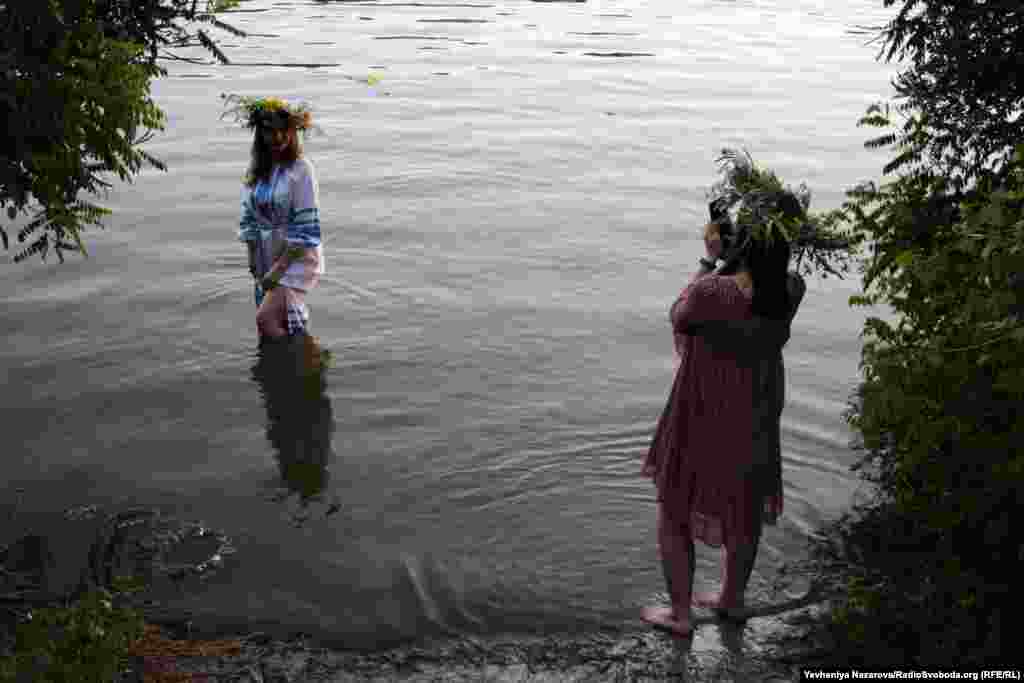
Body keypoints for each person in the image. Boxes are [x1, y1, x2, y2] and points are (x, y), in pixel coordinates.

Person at [640, 214, 802, 637]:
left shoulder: (713, 290)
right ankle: (732, 600)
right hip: (758, 411)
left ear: (739, 246)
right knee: (745, 506)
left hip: (703, 406)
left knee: (675, 507)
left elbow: (679, 314)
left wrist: (710, 260)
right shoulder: (791, 289)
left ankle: (680, 614)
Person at [227, 95, 323, 339]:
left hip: (295, 258)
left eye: (284, 131)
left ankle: (297, 367)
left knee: (266, 320)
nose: (278, 138)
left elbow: (306, 231)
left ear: (292, 132)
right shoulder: (257, 170)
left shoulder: (301, 169)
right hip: (264, 254)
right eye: (270, 132)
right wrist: (253, 258)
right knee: (275, 324)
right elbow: (248, 216)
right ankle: (294, 369)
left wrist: (278, 271)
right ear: (260, 134)